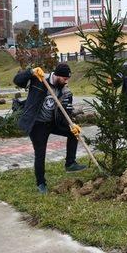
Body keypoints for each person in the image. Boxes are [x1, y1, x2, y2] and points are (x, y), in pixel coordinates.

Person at [13, 63, 86, 194]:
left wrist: (72, 125)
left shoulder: (65, 90)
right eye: (65, 79)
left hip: (53, 122)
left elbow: (66, 112)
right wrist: (31, 72)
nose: (66, 81)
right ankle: (41, 183)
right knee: (40, 154)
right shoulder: (39, 79)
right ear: (57, 76)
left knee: (73, 133)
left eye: (68, 79)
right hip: (37, 124)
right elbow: (17, 80)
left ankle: (70, 163)